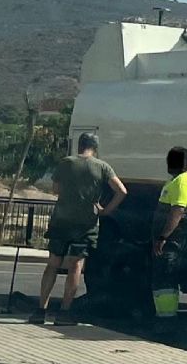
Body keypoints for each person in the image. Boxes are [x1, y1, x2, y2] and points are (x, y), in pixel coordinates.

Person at [29, 132, 127, 325]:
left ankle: (41, 310)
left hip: (61, 220)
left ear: (79, 145)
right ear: (95, 148)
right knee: (76, 266)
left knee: (53, 264)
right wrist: (105, 211)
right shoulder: (103, 167)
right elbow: (122, 191)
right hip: (86, 224)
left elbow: (55, 189)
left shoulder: (66, 162)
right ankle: (64, 313)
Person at [151, 146, 187, 321]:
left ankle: (166, 318)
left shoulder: (183, 182)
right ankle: (164, 315)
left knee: (166, 275)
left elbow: (177, 211)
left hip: (175, 238)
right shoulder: (176, 180)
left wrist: (164, 236)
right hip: (172, 238)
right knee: (164, 275)